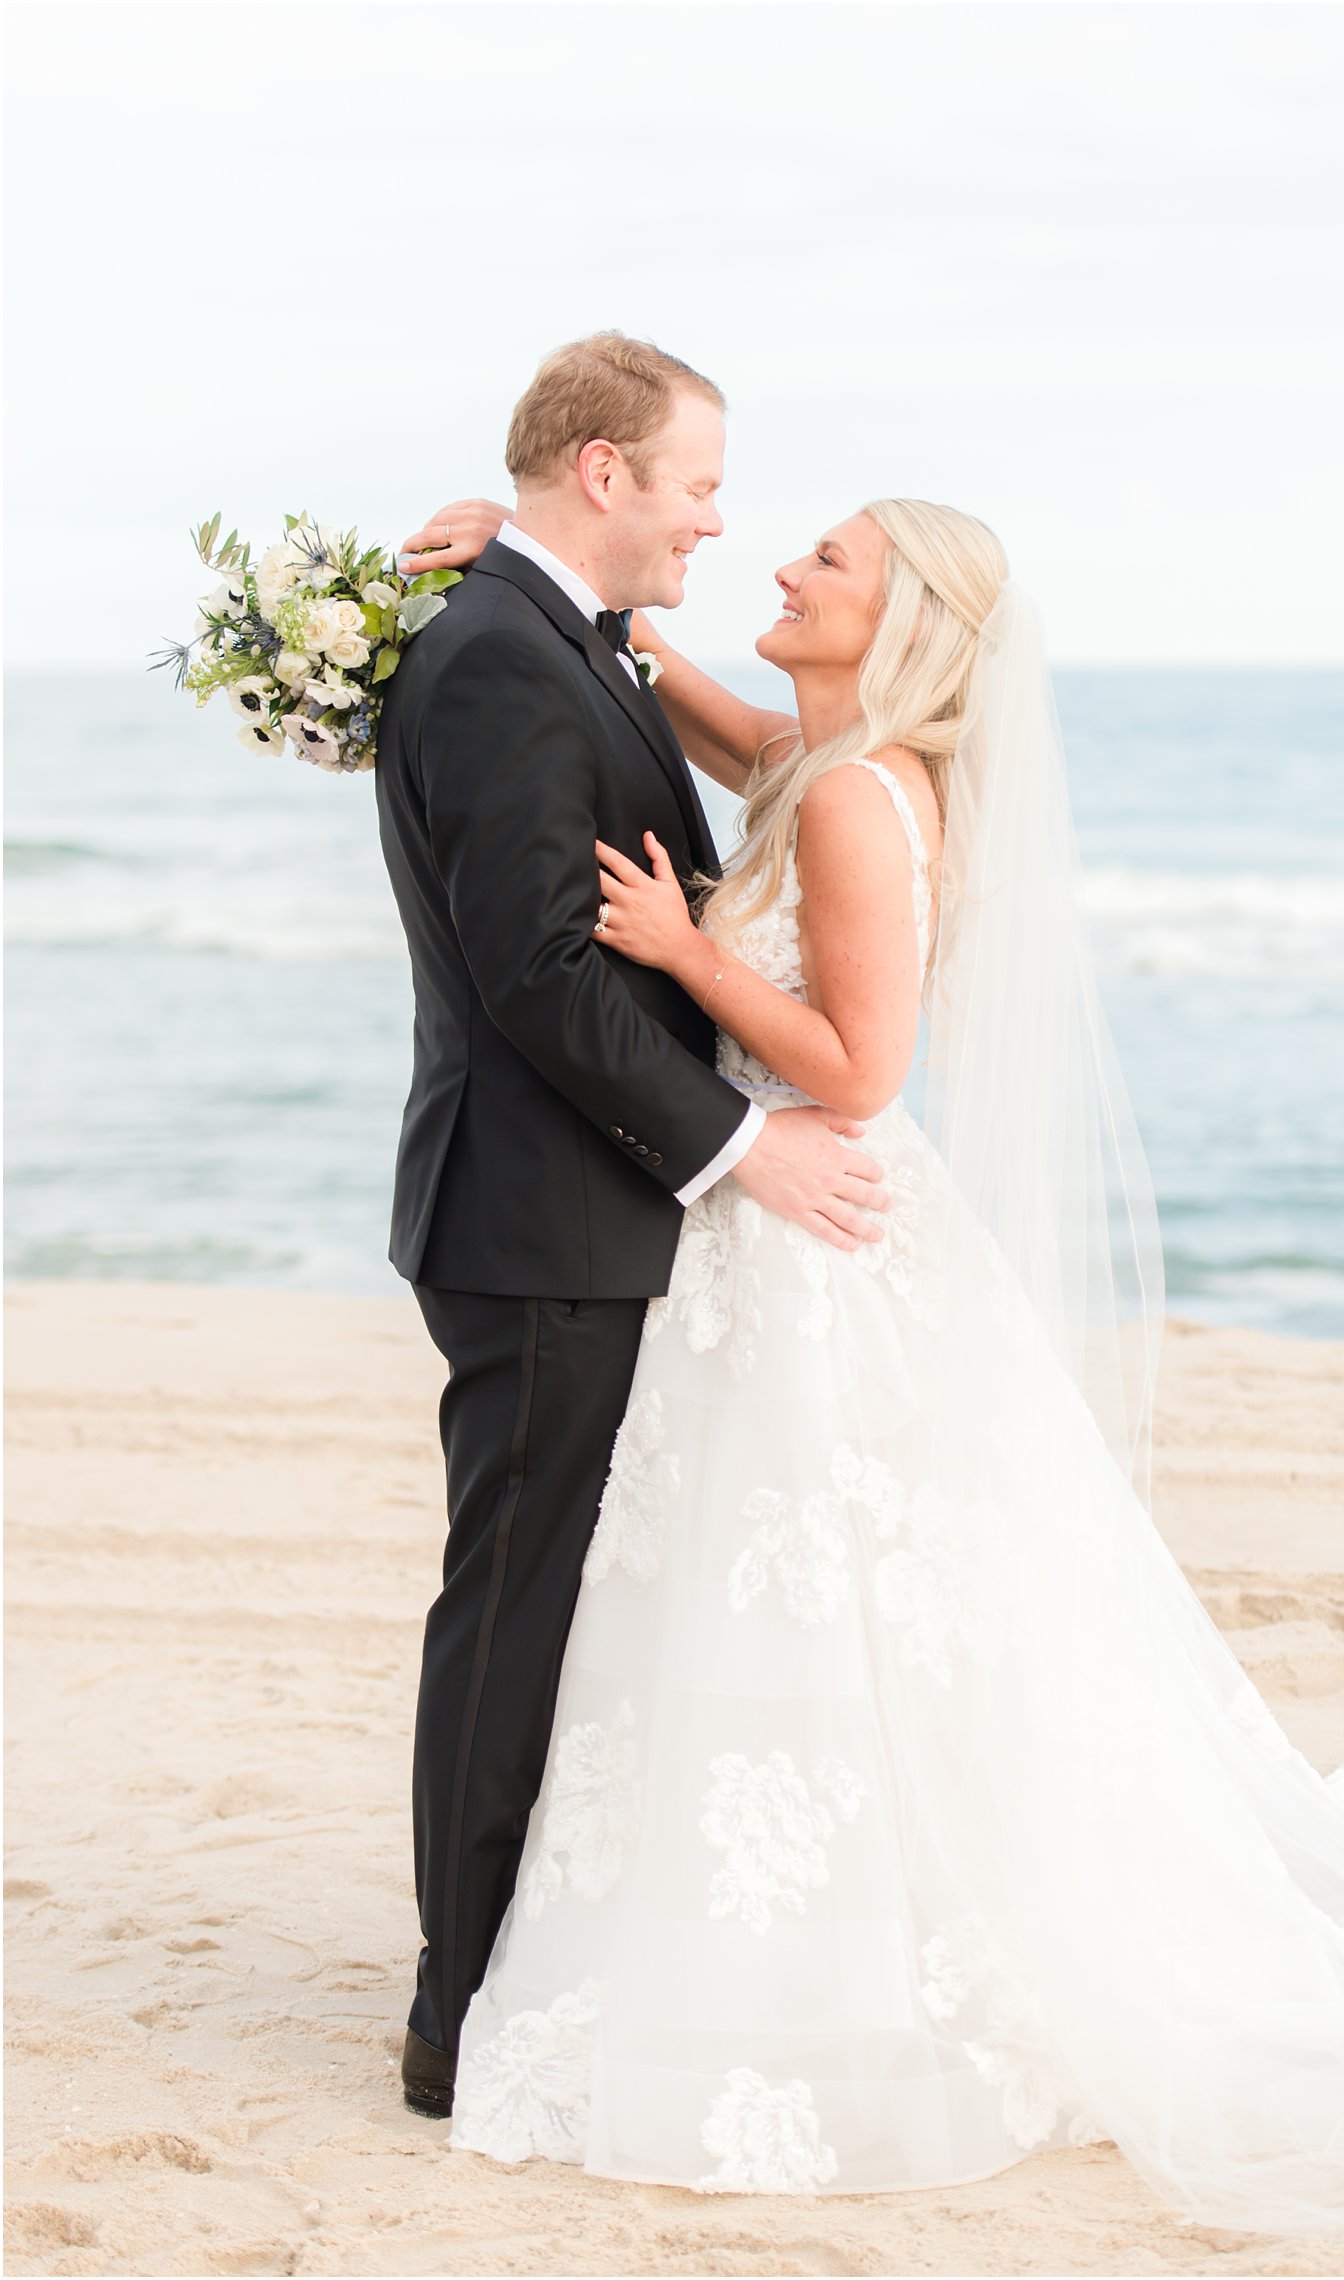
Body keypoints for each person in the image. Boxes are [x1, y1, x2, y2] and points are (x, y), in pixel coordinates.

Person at [399, 487, 1344, 2261]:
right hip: (785, 1242)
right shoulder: (829, 758)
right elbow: (719, 717)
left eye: (824, 559)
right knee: (839, 1616)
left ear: (900, 617)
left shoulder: (851, 797)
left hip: (815, 1215)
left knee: (830, 1608)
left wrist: (689, 953)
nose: (780, 559)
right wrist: (559, 595)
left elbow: (863, 1070)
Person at [373, 333, 891, 2126]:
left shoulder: (553, 641)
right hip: (542, 1222)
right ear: (603, 474)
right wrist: (739, 1148)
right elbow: (532, 970)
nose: (715, 519)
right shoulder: (503, 658)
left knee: (566, 1609)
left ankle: (518, 1960)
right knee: (514, 1615)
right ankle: (459, 2013)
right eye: (692, 485)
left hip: (583, 1212)